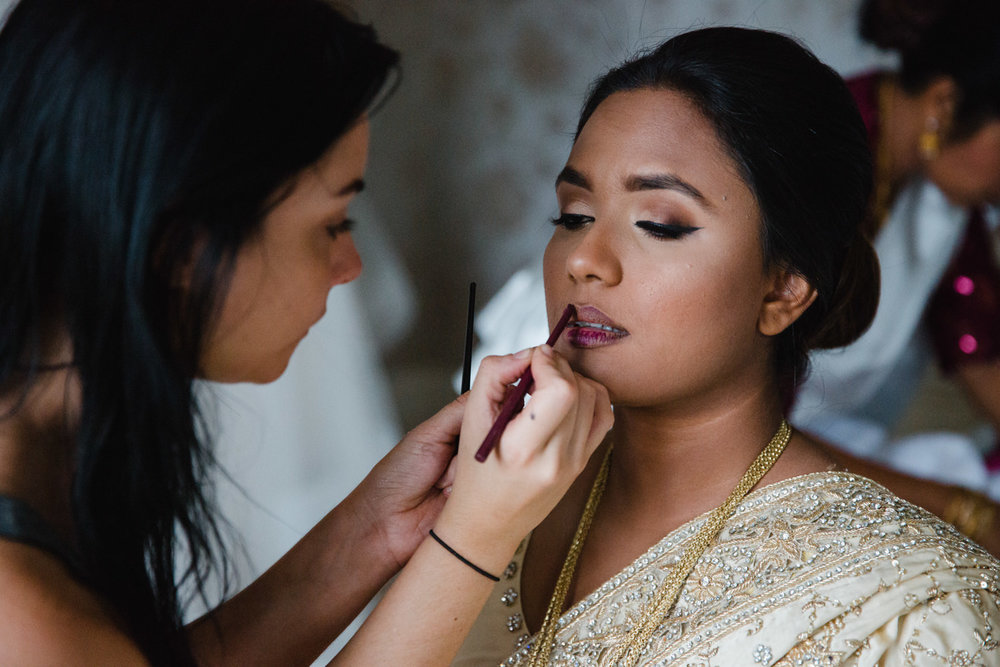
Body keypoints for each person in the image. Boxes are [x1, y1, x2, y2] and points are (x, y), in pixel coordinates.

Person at [0, 1, 613, 665]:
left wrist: (372, 529)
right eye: (334, 224)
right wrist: (474, 537)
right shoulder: (26, 613)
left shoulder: (41, 465)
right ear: (180, 250)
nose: (350, 268)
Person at [452, 27, 1000, 666]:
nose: (583, 260)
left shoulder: (914, 615)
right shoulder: (494, 499)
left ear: (784, 291)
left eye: (659, 225)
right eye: (573, 216)